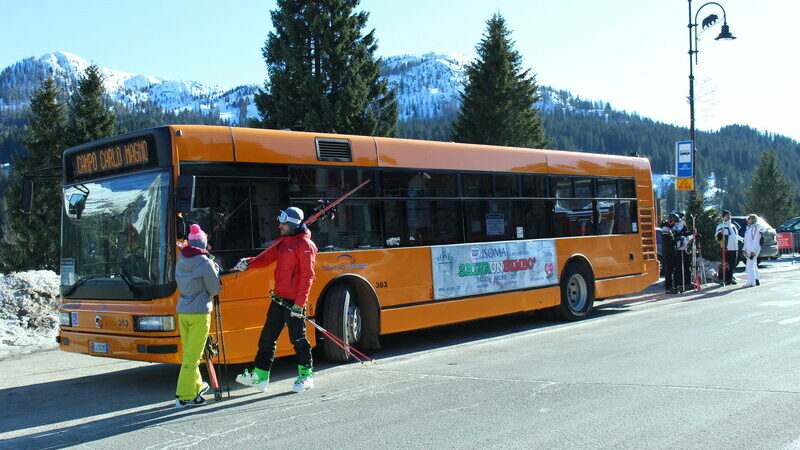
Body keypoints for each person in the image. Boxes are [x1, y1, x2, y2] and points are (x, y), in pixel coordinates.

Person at [234, 206, 318, 393]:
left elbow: (308, 277)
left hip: (294, 301)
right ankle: (261, 376)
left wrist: (300, 304)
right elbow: (265, 258)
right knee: (267, 338)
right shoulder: (283, 241)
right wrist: (247, 263)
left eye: (283, 223)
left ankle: (306, 375)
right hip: (279, 298)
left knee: (298, 339)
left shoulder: (306, 246)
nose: (279, 225)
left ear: (293, 225)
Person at [174, 224, 221, 408]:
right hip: (199, 313)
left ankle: (197, 387)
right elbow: (215, 289)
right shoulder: (205, 262)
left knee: (189, 354)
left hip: (183, 312)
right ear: (203, 243)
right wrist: (215, 271)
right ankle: (184, 396)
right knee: (193, 357)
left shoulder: (180, 259)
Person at [715, 210, 742, 285]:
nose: (729, 216)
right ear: (723, 217)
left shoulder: (733, 226)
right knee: (724, 263)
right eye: (727, 215)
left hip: (734, 247)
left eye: (729, 215)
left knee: (732, 264)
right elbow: (717, 237)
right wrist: (720, 235)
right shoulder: (721, 226)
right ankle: (722, 278)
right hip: (726, 247)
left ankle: (730, 278)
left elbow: (735, 236)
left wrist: (742, 240)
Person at [742, 213, 762, 287]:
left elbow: (756, 240)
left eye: (749, 219)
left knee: (749, 266)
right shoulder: (749, 228)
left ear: (753, 220)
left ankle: (751, 282)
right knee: (753, 264)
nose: (748, 220)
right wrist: (744, 248)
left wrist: (753, 251)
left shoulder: (755, 228)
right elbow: (746, 240)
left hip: (753, 250)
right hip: (749, 249)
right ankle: (756, 280)